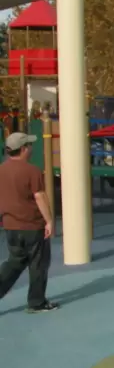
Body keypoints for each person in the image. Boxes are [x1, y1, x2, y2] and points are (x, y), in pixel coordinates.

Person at [0, 132, 59, 313]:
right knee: (38, 264)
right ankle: (36, 302)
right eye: (30, 145)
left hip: (10, 225)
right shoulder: (31, 171)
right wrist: (49, 221)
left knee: (15, 262)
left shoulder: (1, 169)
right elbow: (39, 196)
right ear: (24, 149)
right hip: (32, 225)